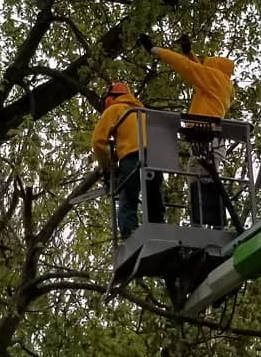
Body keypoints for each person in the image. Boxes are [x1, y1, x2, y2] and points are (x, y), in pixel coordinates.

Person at [138, 33, 236, 227]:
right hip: (207, 140)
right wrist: (189, 52)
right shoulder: (221, 83)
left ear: (213, 69)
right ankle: (208, 224)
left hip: (206, 141)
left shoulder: (214, 78)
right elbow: (199, 68)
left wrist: (154, 50)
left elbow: (188, 67)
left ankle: (204, 225)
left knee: (201, 181)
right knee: (201, 179)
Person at [91, 82, 164, 239]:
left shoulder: (114, 109)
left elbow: (98, 142)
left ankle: (130, 233)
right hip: (155, 157)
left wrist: (108, 166)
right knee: (154, 197)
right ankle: (158, 231)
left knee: (128, 198)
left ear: (111, 97)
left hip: (132, 158)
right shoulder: (143, 111)